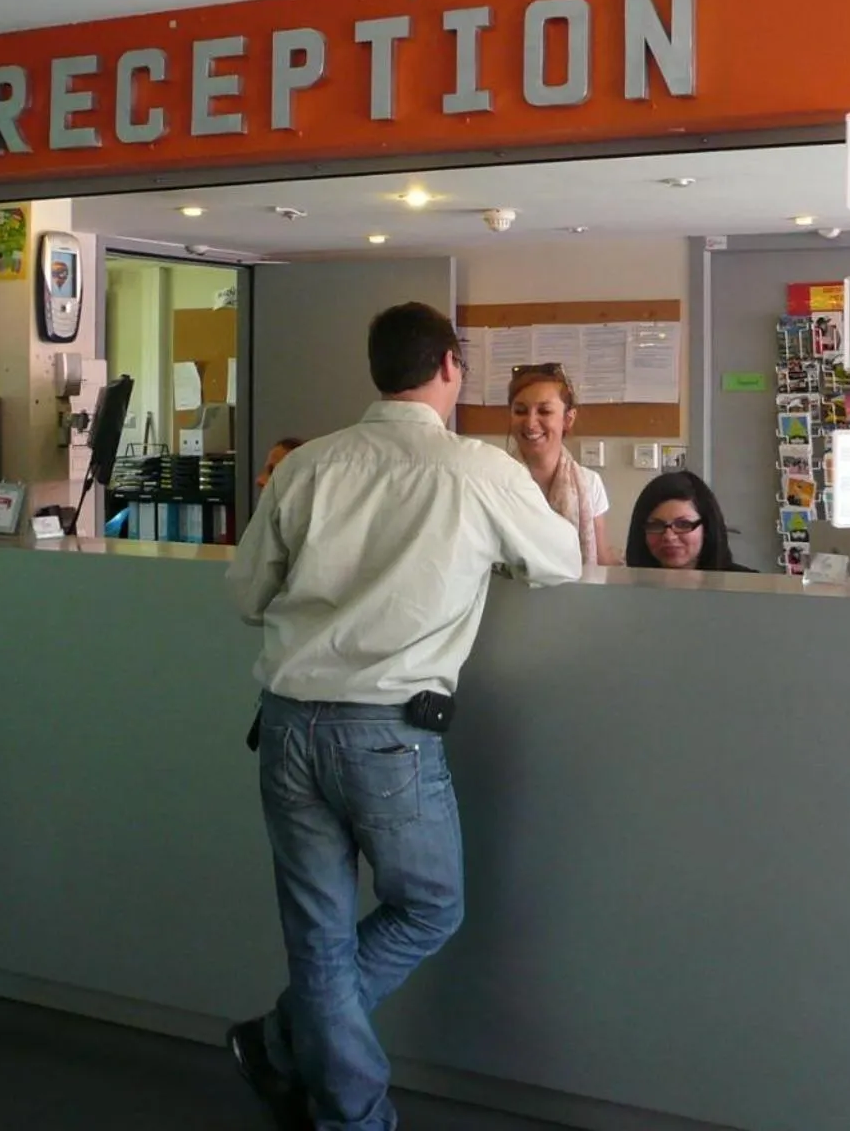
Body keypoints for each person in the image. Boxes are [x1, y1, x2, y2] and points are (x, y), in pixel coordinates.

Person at [223, 303, 583, 1130]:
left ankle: (330, 1090)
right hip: (389, 733)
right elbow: (559, 560)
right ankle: (283, 1044)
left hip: (285, 722)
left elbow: (246, 596)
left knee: (317, 935)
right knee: (430, 907)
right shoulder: (476, 471)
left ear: (378, 369)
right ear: (450, 366)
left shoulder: (309, 465)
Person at [507, 362, 612, 565]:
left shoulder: (590, 484)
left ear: (568, 419)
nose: (530, 423)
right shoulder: (492, 479)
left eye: (544, 412)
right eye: (520, 411)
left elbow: (600, 560)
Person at [623, 471, 755, 573]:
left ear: (706, 529)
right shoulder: (627, 590)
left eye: (683, 524)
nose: (669, 536)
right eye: (656, 525)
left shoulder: (748, 587)